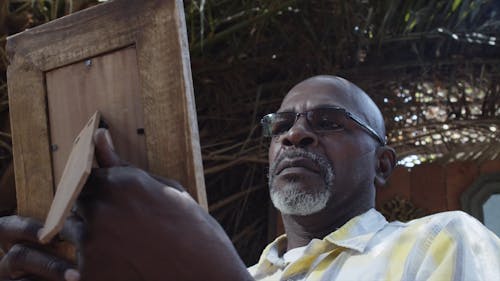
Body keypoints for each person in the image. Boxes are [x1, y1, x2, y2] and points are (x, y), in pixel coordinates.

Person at [0, 75, 498, 281]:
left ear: (383, 165)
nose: (296, 135)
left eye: (327, 122)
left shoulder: (444, 241)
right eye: (283, 125)